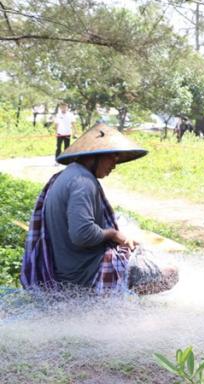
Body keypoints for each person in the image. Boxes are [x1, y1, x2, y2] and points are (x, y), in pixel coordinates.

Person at [20, 124, 178, 295]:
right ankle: (119, 302)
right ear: (96, 156)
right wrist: (113, 234)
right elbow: (83, 234)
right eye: (113, 158)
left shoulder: (68, 175)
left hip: (69, 267)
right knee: (170, 274)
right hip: (85, 273)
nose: (114, 165)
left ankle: (120, 297)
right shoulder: (83, 182)